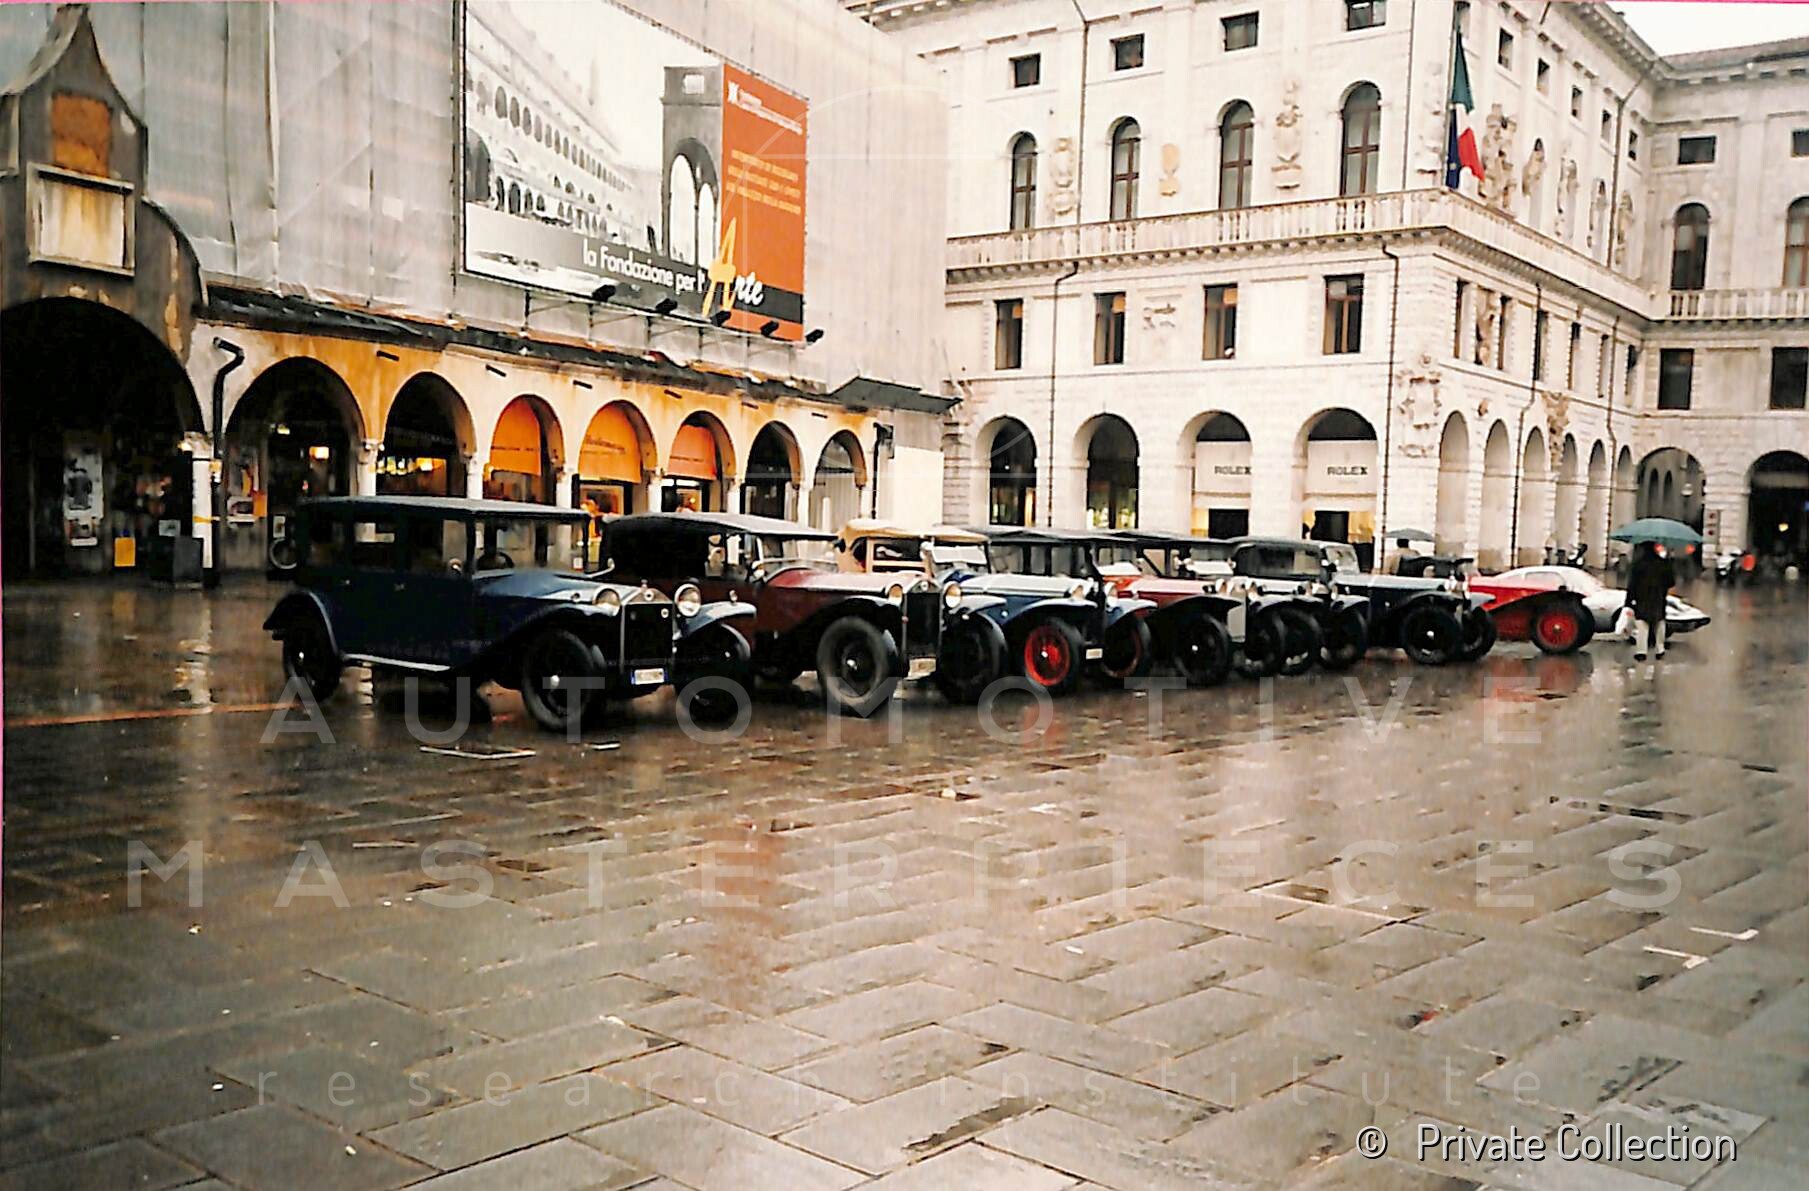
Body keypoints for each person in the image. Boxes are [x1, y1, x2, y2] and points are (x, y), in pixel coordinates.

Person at [1625, 541, 1675, 661]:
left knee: (1642, 624)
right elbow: (1671, 582)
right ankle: (1660, 650)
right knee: (1659, 622)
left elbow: (1632, 584)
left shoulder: (1638, 564)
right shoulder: (1663, 563)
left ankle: (1641, 651)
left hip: (1641, 598)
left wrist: (1628, 601)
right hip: (1658, 597)